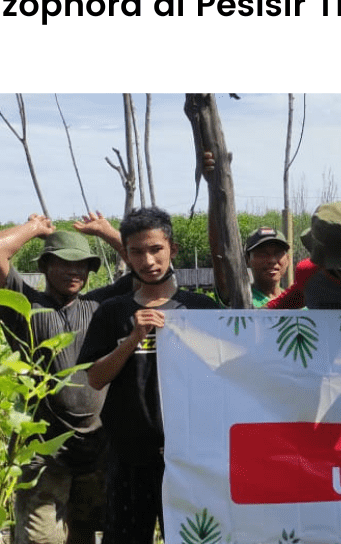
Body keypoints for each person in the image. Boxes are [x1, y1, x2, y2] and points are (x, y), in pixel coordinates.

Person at [0, 212, 131, 544]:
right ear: (45, 266)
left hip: (95, 447)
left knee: (85, 533)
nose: (74, 271)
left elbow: (144, 267)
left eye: (82, 265)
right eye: (63, 263)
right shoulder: (24, 307)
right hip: (42, 455)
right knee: (40, 539)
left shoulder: (100, 306)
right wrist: (34, 229)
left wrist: (106, 232)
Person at [78, 207, 219, 544]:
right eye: (137, 252)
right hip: (129, 457)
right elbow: (95, 378)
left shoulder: (202, 310)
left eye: (156, 249)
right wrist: (131, 341)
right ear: (125, 255)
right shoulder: (113, 312)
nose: (148, 260)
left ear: (173, 249)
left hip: (191, 457)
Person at [244, 226, 290, 306]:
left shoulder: (297, 303)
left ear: (288, 259)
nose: (272, 260)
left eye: (278, 253)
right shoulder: (242, 302)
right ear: (247, 259)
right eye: (262, 254)